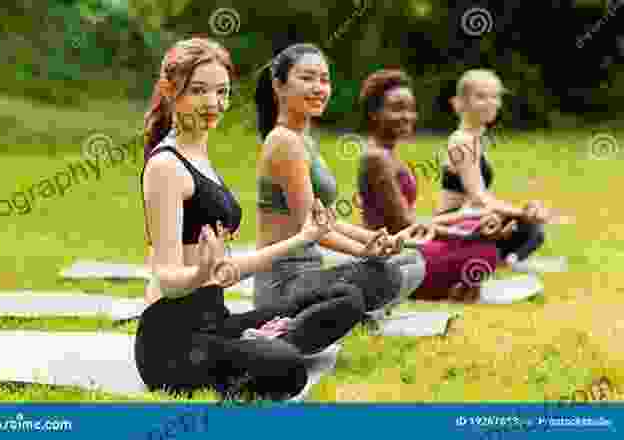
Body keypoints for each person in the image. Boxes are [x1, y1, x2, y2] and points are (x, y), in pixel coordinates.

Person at [135, 38, 366, 402]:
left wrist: (302, 236)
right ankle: (262, 345)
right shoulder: (166, 166)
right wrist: (199, 274)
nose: (213, 103)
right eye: (198, 90)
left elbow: (226, 270)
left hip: (215, 321)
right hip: (173, 345)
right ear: (169, 91)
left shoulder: (198, 153)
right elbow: (166, 276)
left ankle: (257, 341)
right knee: (287, 368)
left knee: (345, 296)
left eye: (222, 92)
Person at [253, 43, 428, 312]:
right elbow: (310, 228)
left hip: (310, 275)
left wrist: (373, 239)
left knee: (410, 261)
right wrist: (363, 252)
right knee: (384, 275)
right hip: (284, 284)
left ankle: (351, 312)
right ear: (279, 85)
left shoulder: (304, 141)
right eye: (307, 78)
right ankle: (351, 313)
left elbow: (328, 219)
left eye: (324, 79)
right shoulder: (283, 142)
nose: (318, 87)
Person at [357, 68, 503, 302]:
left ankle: (447, 285)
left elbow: (414, 220)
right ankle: (438, 286)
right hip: (392, 255)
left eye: (411, 109)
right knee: (482, 250)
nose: (407, 116)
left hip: (408, 244)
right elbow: (404, 224)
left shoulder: (388, 154)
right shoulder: (376, 159)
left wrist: (466, 223)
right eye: (397, 109)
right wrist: (463, 234)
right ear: (374, 113)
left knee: (478, 230)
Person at [437, 69, 550, 266]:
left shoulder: (475, 140)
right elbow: (478, 198)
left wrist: (522, 212)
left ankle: (502, 260)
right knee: (528, 228)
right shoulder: (462, 141)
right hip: (455, 220)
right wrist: (522, 212)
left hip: (473, 215)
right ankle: (496, 259)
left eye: (495, 96)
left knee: (529, 229)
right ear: (461, 103)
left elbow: (483, 200)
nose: (491, 102)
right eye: (481, 97)